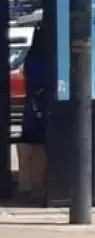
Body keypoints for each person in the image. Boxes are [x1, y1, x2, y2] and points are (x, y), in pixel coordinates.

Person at [18, 23, 48, 201]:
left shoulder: (31, 58)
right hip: (43, 108)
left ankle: (35, 187)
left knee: (37, 147)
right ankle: (39, 187)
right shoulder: (49, 60)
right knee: (41, 148)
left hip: (32, 108)